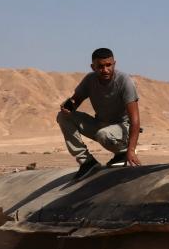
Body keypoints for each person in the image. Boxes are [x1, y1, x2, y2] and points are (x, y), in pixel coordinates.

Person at [57, 47, 141, 180]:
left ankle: (123, 152)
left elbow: (135, 120)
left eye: (109, 65)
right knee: (63, 117)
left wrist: (131, 150)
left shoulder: (124, 81)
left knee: (104, 134)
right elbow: (76, 99)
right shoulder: (90, 80)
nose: (105, 70)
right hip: (101, 124)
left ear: (114, 63)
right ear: (93, 67)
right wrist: (69, 106)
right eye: (100, 66)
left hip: (122, 128)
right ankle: (87, 162)